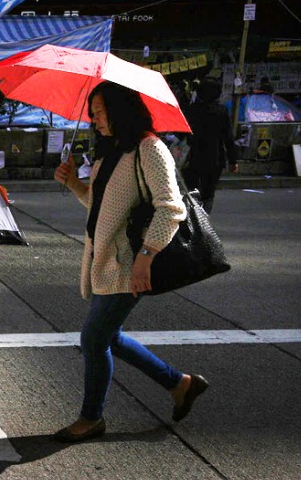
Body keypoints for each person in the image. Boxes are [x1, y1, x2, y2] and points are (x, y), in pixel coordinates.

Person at [52, 81, 210, 442]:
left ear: (120, 109)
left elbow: (171, 209)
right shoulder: (112, 152)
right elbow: (103, 209)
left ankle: (91, 418)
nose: (94, 121)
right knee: (112, 337)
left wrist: (145, 257)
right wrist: (75, 184)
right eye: (92, 114)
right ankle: (180, 384)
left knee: (93, 340)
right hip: (103, 262)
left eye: (99, 113)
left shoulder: (150, 149)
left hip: (128, 264)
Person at [182, 77, 238, 214]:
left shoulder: (193, 110)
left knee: (192, 191)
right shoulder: (222, 111)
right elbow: (228, 138)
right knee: (208, 194)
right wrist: (233, 160)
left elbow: (183, 133)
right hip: (214, 159)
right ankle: (204, 219)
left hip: (193, 158)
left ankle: (192, 218)